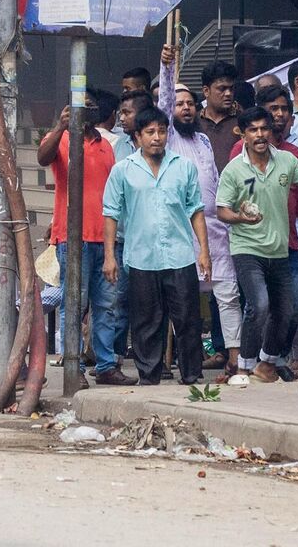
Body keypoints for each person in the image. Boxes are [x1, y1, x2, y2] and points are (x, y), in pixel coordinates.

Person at [103, 106, 210, 386]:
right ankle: (149, 375)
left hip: (180, 254)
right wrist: (109, 257)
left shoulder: (183, 167)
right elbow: (111, 213)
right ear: (137, 136)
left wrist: (204, 251)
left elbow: (196, 210)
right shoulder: (123, 171)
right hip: (141, 255)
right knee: (146, 320)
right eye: (150, 132)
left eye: (161, 131)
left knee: (187, 318)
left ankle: (191, 373)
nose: (157, 137)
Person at [218, 107, 298, 383]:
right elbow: (222, 210)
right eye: (253, 129)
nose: (260, 134)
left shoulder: (286, 160)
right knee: (259, 304)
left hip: (280, 249)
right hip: (246, 248)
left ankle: (266, 363)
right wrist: (240, 218)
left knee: (286, 309)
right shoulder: (234, 169)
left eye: (264, 128)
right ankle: (242, 367)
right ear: (243, 134)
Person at [36, 92, 126, 386]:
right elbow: (42, 158)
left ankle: (105, 365)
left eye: (89, 107)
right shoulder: (58, 139)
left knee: (106, 305)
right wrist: (62, 127)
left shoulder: (106, 146)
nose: (85, 111)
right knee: (74, 303)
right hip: (72, 238)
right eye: (79, 107)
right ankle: (72, 366)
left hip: (106, 237)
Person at [159, 47, 239, 374]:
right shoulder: (167, 138)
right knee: (185, 302)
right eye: (180, 105)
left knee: (229, 296)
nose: (186, 108)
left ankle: (235, 359)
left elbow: (215, 182)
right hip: (183, 232)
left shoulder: (203, 141)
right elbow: (163, 103)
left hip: (217, 231)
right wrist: (168, 68)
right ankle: (187, 361)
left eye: (190, 103)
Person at [198, 61, 242, 172]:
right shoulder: (194, 122)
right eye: (222, 89)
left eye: (231, 89)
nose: (228, 93)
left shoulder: (243, 121)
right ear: (206, 91)